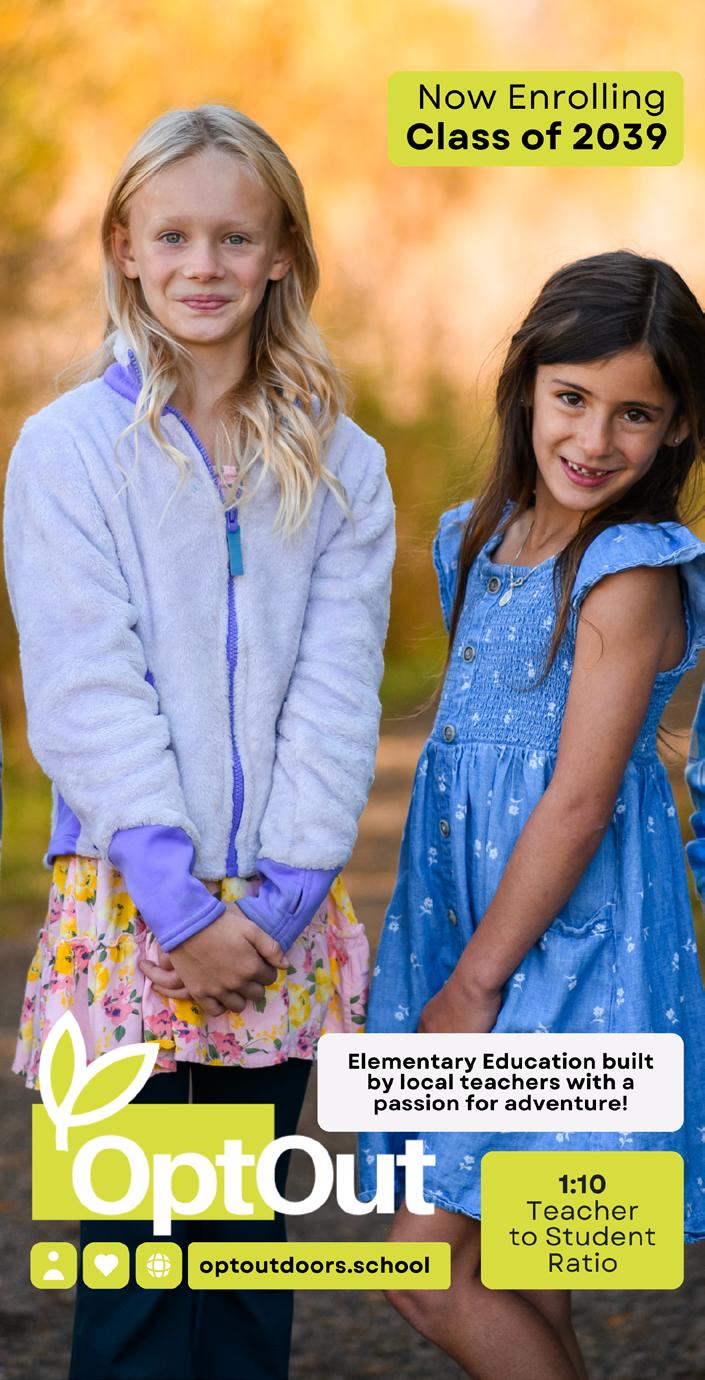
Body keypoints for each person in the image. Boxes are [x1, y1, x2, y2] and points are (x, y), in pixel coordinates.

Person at [5, 104, 394, 1380]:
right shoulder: (69, 451)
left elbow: (337, 695)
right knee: (135, 1285)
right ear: (124, 248)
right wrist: (180, 908)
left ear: (282, 253)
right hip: (130, 912)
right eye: (171, 236)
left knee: (236, 1278)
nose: (203, 265)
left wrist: (272, 907)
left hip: (275, 918)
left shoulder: (344, 466)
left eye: (235, 236)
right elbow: (86, 687)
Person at [359, 251, 705, 1380]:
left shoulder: (630, 569)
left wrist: (474, 987)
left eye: (634, 414)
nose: (595, 439)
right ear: (524, 386)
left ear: (677, 425)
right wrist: (459, 960)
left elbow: (578, 798)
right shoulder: (473, 537)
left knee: (425, 1270)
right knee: (515, 1262)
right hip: (475, 924)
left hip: (565, 952)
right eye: (572, 398)